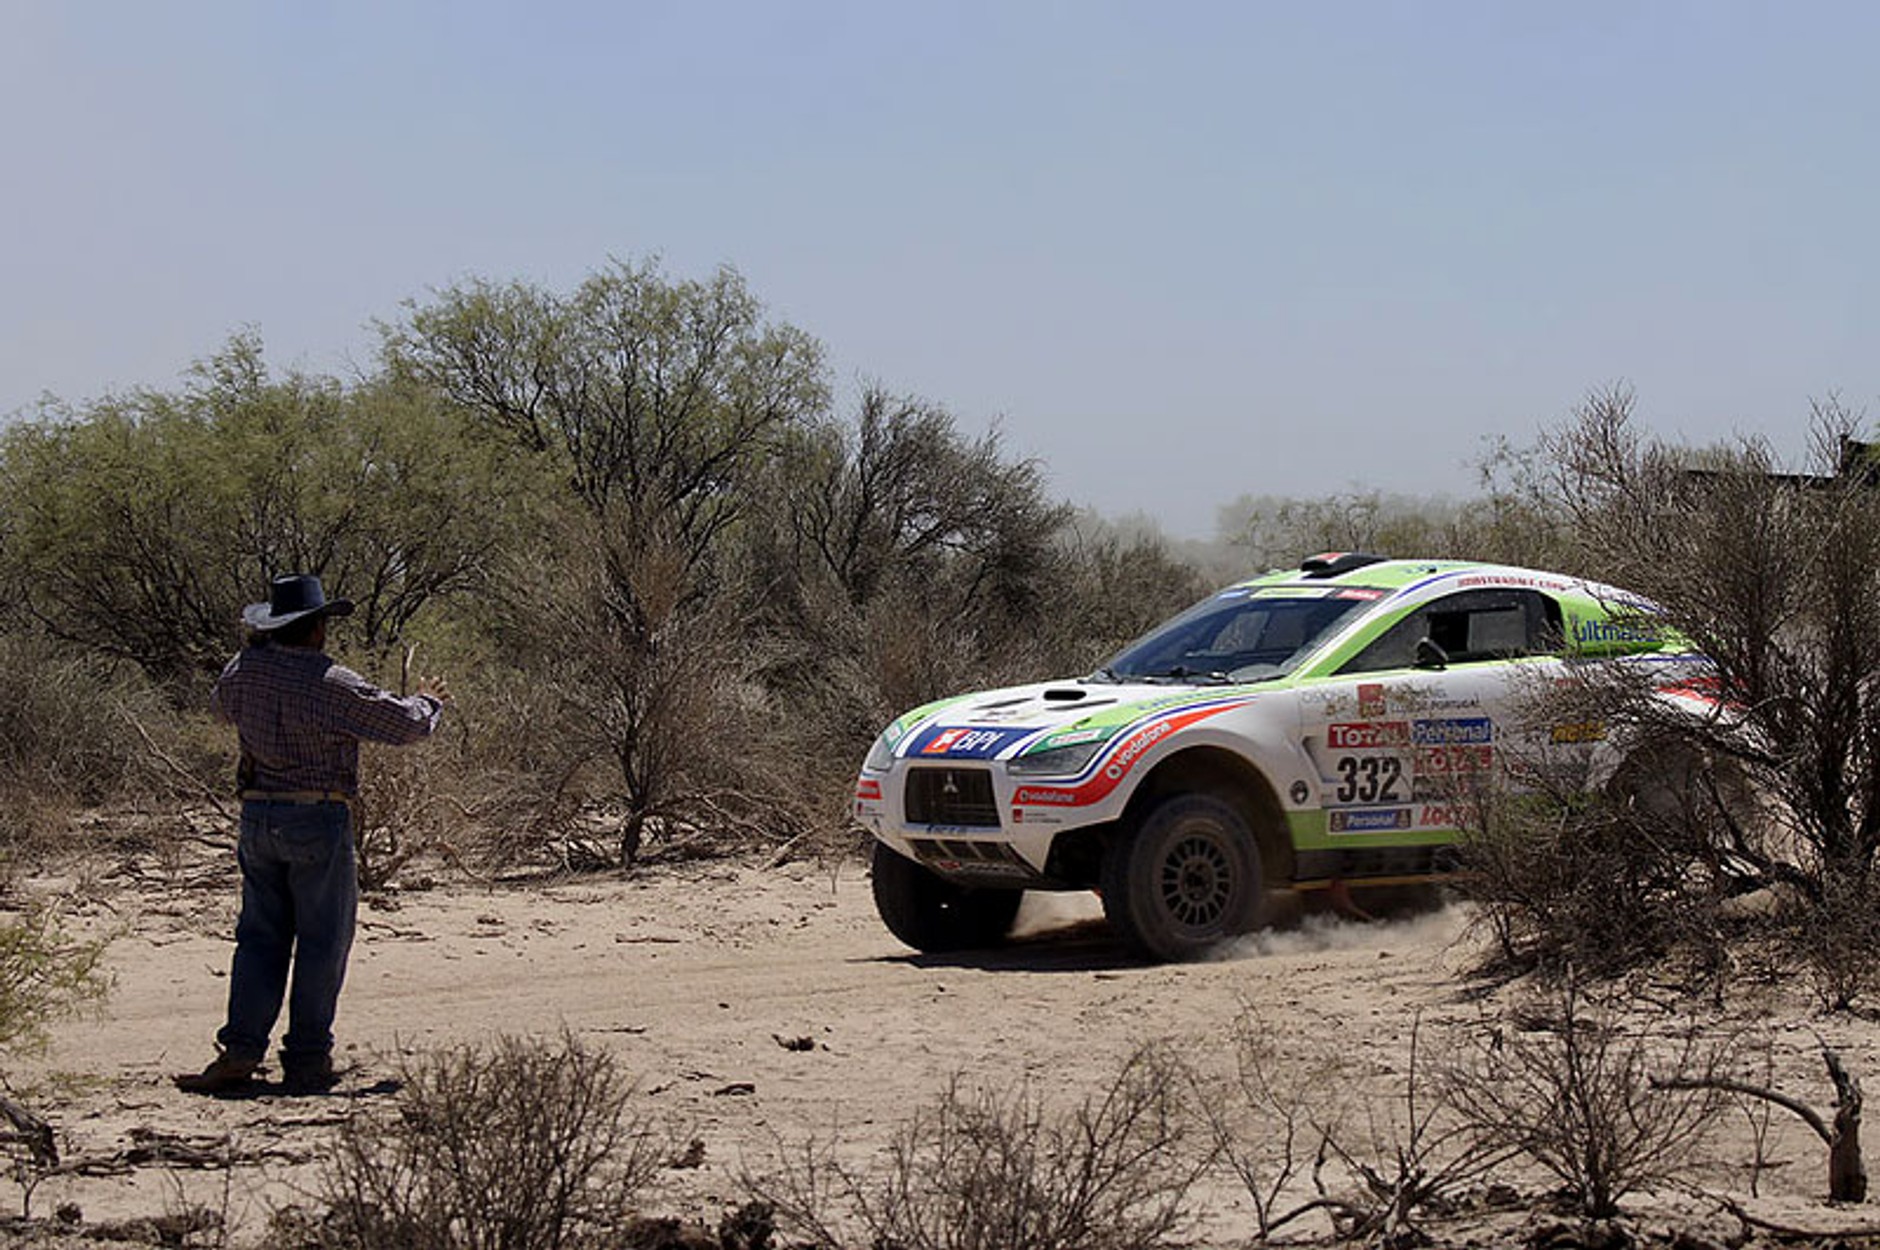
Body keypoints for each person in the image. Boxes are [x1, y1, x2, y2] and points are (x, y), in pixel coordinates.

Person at [174, 574, 445, 1095]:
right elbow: (405, 726)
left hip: (257, 816)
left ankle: (240, 1050)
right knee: (323, 941)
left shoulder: (242, 671)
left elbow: (219, 706)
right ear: (317, 628)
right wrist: (429, 702)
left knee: (258, 938)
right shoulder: (331, 682)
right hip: (318, 817)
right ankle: (306, 1057)